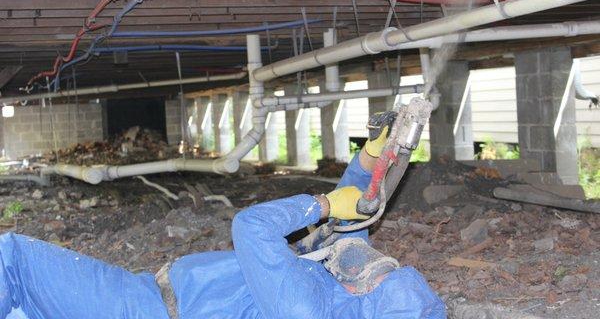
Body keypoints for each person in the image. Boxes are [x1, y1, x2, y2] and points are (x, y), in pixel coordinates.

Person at [0, 111, 445, 319]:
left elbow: (249, 227)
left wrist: (323, 205)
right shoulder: (346, 297)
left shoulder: (303, 308)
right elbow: (356, 218)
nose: (375, 261)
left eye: (378, 273)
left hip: (139, 308)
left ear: (364, 293)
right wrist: (372, 156)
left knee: (13, 260)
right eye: (387, 265)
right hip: (153, 296)